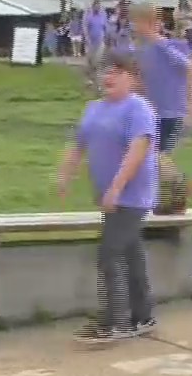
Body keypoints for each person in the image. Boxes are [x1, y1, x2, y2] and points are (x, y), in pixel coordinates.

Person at [56, 52, 158, 344]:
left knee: (109, 254)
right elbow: (78, 144)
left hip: (132, 196)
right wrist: (66, 174)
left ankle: (115, 322)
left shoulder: (138, 109)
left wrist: (116, 187)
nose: (108, 77)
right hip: (108, 197)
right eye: (104, 71)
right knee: (130, 254)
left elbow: (138, 149)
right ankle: (142, 316)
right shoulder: (93, 109)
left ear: (133, 79)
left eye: (117, 72)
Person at [129, 3, 192, 215]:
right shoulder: (143, 49)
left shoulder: (163, 46)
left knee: (154, 156)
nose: (133, 27)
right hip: (152, 113)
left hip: (170, 113)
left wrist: (190, 102)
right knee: (150, 158)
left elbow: (190, 69)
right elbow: (143, 81)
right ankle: (161, 201)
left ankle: (178, 189)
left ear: (148, 23)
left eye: (136, 22)